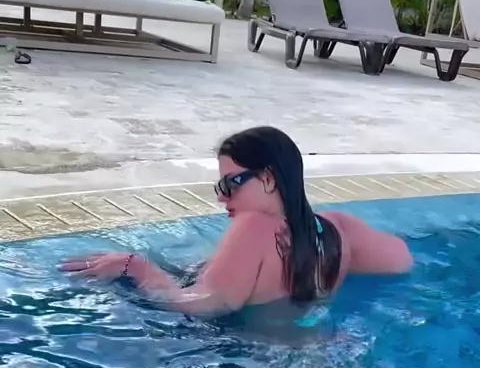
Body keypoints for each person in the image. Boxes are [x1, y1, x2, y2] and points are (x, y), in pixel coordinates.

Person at [59, 126, 413, 315]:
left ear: (268, 179)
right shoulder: (337, 228)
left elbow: (201, 305)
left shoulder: (254, 228)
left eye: (231, 184)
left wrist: (133, 266)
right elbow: (401, 260)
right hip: (324, 365)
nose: (222, 197)